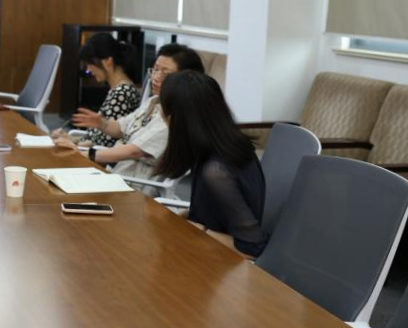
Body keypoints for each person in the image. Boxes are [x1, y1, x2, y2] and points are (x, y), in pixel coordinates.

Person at [156, 70, 267, 257]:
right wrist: (182, 217)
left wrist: (200, 230)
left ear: (175, 119)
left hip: (218, 264)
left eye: (162, 108)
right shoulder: (223, 147)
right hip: (206, 252)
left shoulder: (216, 171)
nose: (160, 114)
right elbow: (216, 212)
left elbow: (253, 248)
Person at [56, 43, 204, 184]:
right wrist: (101, 123)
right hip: (116, 175)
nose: (156, 77)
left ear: (184, 80)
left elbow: (134, 152)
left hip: (134, 185)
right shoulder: (154, 101)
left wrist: (86, 154)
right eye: (155, 69)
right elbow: (122, 128)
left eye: (165, 73)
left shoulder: (172, 118)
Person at [52, 33, 141, 148]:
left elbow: (106, 144)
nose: (88, 70)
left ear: (108, 62)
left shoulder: (121, 94)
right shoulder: (120, 90)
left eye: (90, 64)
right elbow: (98, 138)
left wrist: (73, 144)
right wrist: (70, 139)